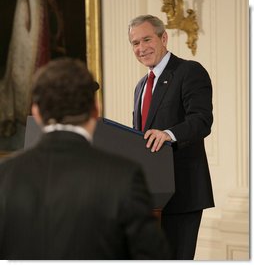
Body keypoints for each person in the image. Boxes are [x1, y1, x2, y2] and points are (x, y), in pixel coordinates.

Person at [0, 58, 170, 260]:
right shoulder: (124, 175)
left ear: (36, 112)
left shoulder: (5, 175)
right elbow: (151, 257)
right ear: (95, 110)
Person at [128, 15, 214, 260]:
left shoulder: (188, 71)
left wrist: (168, 134)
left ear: (163, 38)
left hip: (181, 192)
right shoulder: (141, 85)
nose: (141, 48)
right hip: (149, 197)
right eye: (135, 43)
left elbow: (201, 120)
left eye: (147, 39)